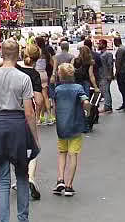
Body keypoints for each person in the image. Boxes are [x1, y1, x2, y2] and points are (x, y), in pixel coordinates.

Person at [0, 39, 38, 221]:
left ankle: (3, 220)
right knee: (22, 176)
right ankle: (22, 218)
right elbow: (29, 113)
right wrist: (34, 138)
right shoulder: (24, 79)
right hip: (18, 127)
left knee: (2, 180)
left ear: (1, 54)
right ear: (18, 55)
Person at [50, 62, 88, 197]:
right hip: (75, 125)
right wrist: (87, 109)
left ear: (60, 76)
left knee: (62, 153)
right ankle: (69, 185)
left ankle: (60, 179)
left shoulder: (58, 90)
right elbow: (85, 101)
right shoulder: (78, 88)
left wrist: (56, 117)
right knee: (73, 155)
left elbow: (54, 107)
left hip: (62, 126)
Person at [16, 43, 44, 201]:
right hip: (28, 112)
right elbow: (38, 99)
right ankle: (31, 177)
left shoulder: (16, 69)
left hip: (12, 112)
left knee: (16, 147)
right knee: (33, 146)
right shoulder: (34, 74)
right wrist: (38, 113)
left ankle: (20, 177)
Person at [114, 36, 125, 112]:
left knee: (123, 88)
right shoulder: (124, 48)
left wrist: (116, 72)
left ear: (116, 41)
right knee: (124, 88)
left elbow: (118, 62)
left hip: (121, 71)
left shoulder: (120, 50)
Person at [96, 39, 114, 113]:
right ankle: (108, 105)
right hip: (101, 75)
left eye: (100, 44)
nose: (98, 45)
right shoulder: (100, 54)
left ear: (103, 45)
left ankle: (107, 106)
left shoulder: (108, 54)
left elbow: (110, 65)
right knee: (104, 90)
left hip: (106, 75)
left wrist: (110, 74)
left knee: (105, 90)